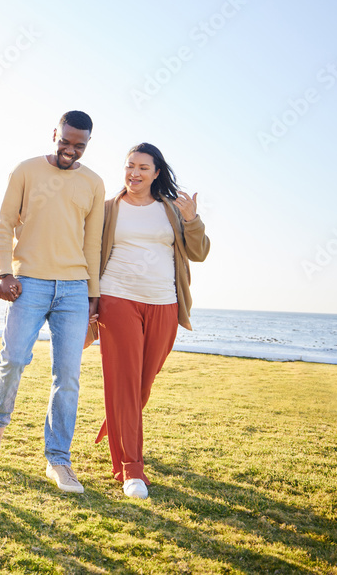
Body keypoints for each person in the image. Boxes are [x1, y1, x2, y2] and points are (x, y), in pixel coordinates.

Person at [0, 110, 104, 494]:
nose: (69, 150)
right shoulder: (26, 170)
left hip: (73, 289)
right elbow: (3, 224)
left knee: (67, 376)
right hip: (28, 282)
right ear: (55, 134)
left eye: (78, 145)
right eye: (64, 141)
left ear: (86, 144)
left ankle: (59, 461)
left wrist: (93, 295)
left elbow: (92, 243)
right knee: (14, 357)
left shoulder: (94, 183)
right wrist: (4, 273)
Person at [88, 142, 210, 500]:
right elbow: (90, 251)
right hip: (117, 298)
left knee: (143, 382)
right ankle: (131, 469)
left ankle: (116, 423)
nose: (134, 173)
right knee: (124, 382)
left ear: (157, 173)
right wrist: (90, 300)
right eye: (130, 166)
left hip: (164, 303)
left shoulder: (171, 210)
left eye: (143, 167)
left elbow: (198, 253)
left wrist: (192, 220)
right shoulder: (109, 209)